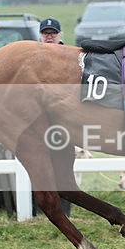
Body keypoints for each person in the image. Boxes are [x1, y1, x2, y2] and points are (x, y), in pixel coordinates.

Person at [38, 17, 73, 216]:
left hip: (64, 120)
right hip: (42, 120)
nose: (49, 36)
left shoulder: (68, 57)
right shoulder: (35, 57)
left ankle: (65, 210)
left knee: (63, 166)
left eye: (52, 33)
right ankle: (44, 210)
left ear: (60, 35)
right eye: (46, 33)